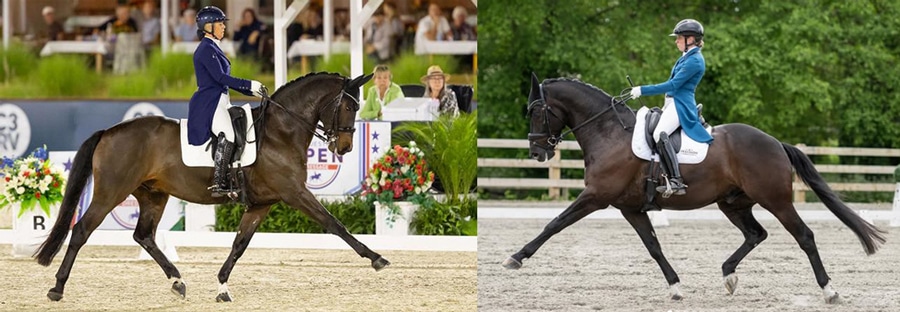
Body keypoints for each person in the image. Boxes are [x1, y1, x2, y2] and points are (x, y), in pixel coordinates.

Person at [187, 6, 266, 197]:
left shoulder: (214, 47)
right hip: (210, 102)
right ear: (208, 26)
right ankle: (218, 182)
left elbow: (225, 82)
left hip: (221, 99)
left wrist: (252, 91)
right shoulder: (206, 49)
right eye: (220, 24)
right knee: (228, 134)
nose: (223, 27)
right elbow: (221, 78)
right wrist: (249, 83)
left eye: (223, 24)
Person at [629, 19, 713, 198]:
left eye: (679, 38)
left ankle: (676, 180)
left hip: (681, 105)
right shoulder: (686, 57)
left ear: (690, 39)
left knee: (660, 133)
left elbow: (672, 84)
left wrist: (642, 89)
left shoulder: (695, 61)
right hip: (671, 103)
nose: (676, 41)